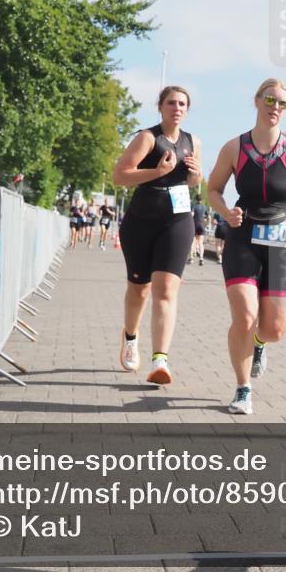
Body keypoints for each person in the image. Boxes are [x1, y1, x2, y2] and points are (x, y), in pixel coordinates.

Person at [207, 78, 286, 414]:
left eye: (282, 103)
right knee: (244, 316)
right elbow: (213, 189)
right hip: (242, 237)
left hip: (281, 241)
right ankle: (243, 389)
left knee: (274, 329)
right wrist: (226, 211)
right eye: (270, 100)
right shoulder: (234, 148)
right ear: (257, 101)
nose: (275, 108)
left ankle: (259, 344)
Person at [112, 86, 202, 384]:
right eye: (171, 103)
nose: (177, 108)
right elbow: (120, 176)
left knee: (166, 289)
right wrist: (157, 171)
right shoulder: (147, 138)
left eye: (182, 104)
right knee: (140, 289)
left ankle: (160, 361)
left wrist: (196, 176)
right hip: (141, 221)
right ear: (160, 107)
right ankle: (130, 337)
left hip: (177, 221)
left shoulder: (193, 142)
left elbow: (192, 182)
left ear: (187, 110)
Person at [189, 197, 208, 266]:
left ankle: (191, 258)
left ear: (196, 199)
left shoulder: (194, 206)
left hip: (194, 225)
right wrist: (205, 223)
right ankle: (201, 258)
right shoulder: (204, 207)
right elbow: (208, 217)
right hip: (202, 225)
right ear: (202, 200)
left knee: (193, 242)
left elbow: (192, 214)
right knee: (200, 243)